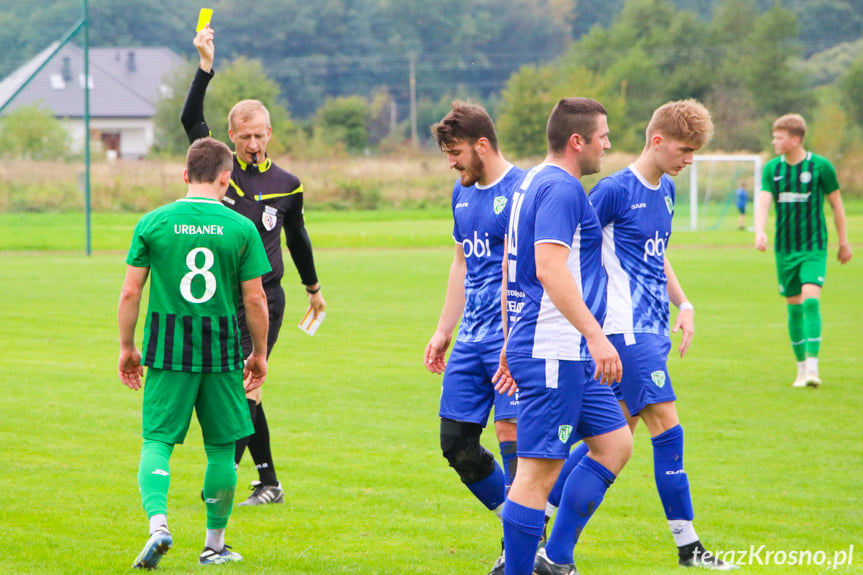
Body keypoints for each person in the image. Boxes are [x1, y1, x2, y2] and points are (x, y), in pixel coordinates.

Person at [547, 99, 736, 570]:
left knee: (608, 442)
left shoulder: (665, 190)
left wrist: (685, 303)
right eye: (685, 149)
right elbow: (568, 248)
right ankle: (689, 547)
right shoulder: (612, 190)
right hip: (625, 333)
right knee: (668, 433)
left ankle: (539, 523)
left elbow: (657, 255)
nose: (689, 158)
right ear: (657, 140)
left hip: (650, 330)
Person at [181, 24, 326, 505]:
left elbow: (298, 236)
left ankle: (224, 483)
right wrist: (205, 65)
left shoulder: (288, 182)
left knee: (244, 385)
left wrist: (313, 287)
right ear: (231, 136)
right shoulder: (219, 169)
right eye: (245, 136)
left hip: (266, 297)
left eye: (260, 135)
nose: (253, 144)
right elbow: (189, 118)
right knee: (238, 386)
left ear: (270, 133)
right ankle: (267, 482)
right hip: (223, 297)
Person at [118, 137, 271, 568]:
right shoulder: (241, 228)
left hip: (167, 351)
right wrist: (258, 354)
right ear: (227, 178)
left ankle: (159, 526)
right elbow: (256, 300)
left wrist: (129, 348)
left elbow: (131, 291)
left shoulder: (153, 222)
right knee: (222, 450)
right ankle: (214, 546)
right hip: (221, 353)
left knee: (158, 441)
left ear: (185, 175)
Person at [495, 97, 632, 575]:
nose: (608, 144)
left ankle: (556, 560)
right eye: (603, 135)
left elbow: (512, 269)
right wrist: (596, 336)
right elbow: (548, 269)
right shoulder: (563, 189)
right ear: (578, 141)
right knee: (535, 474)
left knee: (615, 444)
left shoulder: (531, 180)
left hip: (555, 347)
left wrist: (509, 344)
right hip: (556, 348)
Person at [424, 101, 524, 575]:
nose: (452, 163)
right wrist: (444, 329)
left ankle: (519, 549)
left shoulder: (524, 191)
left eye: (457, 152)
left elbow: (529, 272)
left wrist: (515, 337)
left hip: (514, 337)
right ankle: (526, 531)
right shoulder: (461, 194)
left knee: (512, 434)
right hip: (470, 339)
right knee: (456, 444)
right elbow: (462, 263)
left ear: (482, 145)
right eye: (447, 154)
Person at [755, 113, 852, 387]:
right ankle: (800, 370)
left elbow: (837, 206)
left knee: (811, 299)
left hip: (814, 247)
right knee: (794, 307)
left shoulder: (821, 167)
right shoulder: (772, 169)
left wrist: (843, 242)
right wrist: (760, 230)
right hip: (785, 250)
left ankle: (812, 367)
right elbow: (763, 202)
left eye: (779, 137)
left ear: (795, 139)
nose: (774, 141)